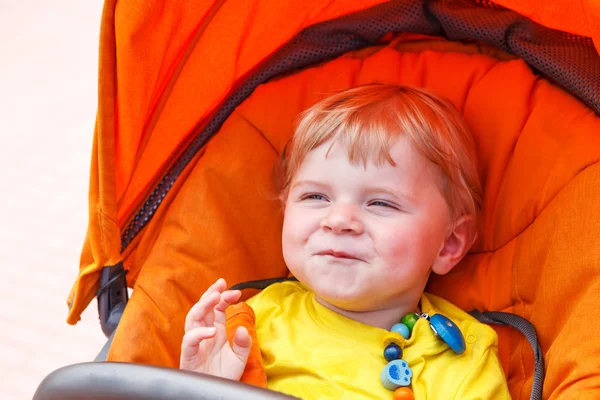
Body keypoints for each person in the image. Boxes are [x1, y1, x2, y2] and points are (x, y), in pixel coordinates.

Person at [179, 84, 510, 399]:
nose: (338, 221)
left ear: (448, 244)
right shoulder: (248, 324)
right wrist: (200, 387)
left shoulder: (462, 356)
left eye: (381, 203)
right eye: (315, 196)